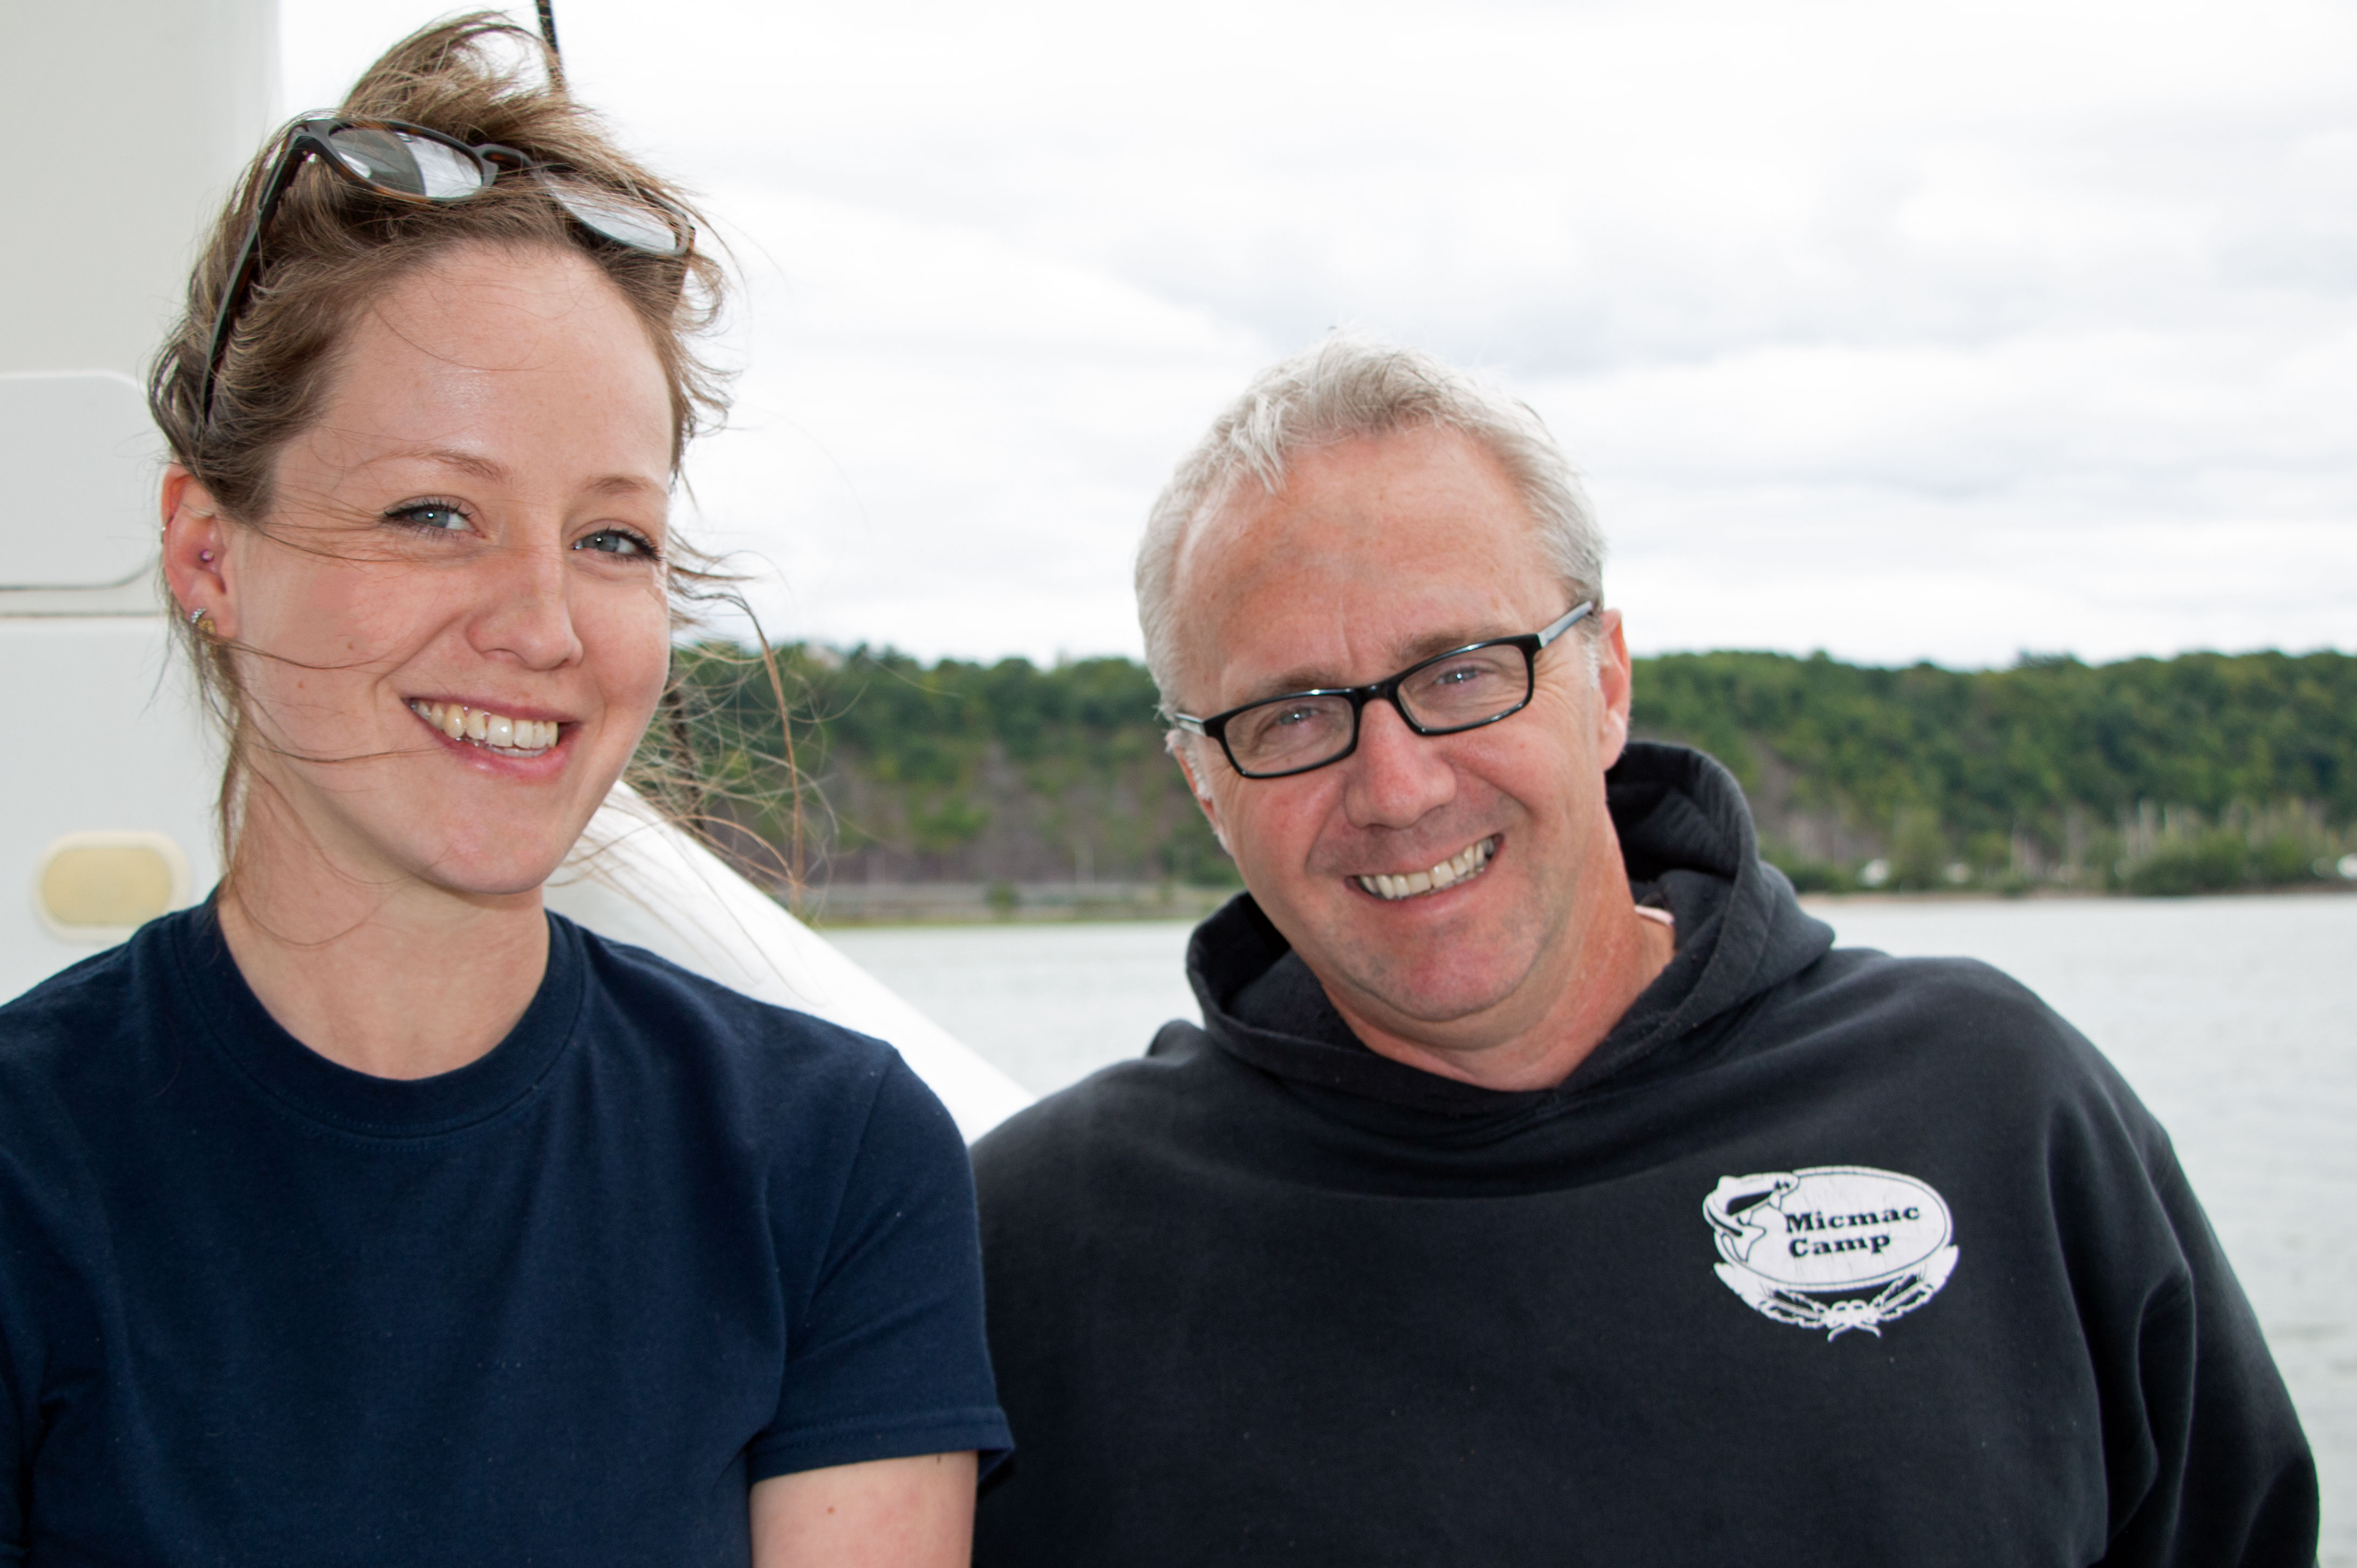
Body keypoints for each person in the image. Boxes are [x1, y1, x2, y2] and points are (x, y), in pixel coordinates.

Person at [969, 335, 2317, 1565]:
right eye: (1288, 714)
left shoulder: (1994, 1104)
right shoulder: (1030, 1243)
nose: (1397, 786)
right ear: (1204, 782)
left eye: (1460, 671)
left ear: (1605, 679)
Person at [0, 18, 1006, 1564]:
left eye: (612, 538)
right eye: (433, 512)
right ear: (210, 554)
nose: (541, 624)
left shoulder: (828, 1160)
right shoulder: (33, 1161)